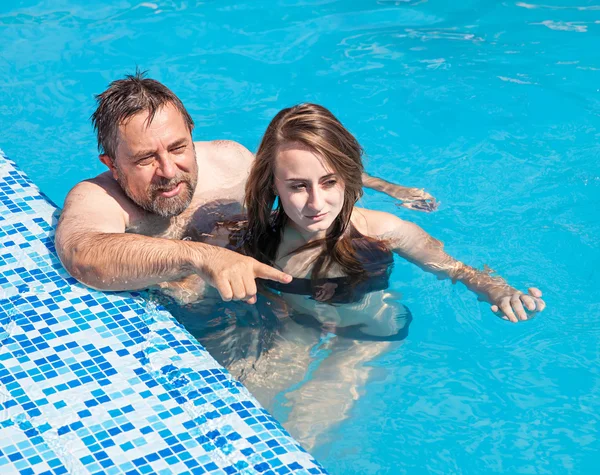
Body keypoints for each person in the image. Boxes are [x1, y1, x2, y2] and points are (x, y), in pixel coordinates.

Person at [55, 71, 436, 302]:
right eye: (144, 159)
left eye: (178, 148)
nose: (169, 170)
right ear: (112, 164)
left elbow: (301, 168)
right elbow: (84, 256)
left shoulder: (229, 158)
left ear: (191, 133)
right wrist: (201, 258)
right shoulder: (97, 196)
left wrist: (388, 187)